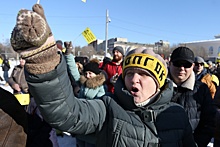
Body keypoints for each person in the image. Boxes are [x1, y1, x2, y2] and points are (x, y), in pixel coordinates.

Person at [10, 5, 197, 146]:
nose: (134, 79)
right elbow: (66, 113)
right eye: (130, 73)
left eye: (143, 74)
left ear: (159, 83)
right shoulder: (108, 108)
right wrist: (45, 61)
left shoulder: (177, 114)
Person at [168, 46, 217, 147]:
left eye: (186, 64)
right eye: (177, 63)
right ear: (170, 63)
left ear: (192, 66)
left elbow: (209, 121)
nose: (182, 68)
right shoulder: (158, 87)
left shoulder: (202, 90)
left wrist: (196, 144)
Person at [7, 57, 59, 147]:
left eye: (23, 59)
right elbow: (10, 78)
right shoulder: (16, 68)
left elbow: (47, 128)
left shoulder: (45, 98)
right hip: (21, 98)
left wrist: (24, 87)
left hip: (44, 141)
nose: (21, 61)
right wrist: (13, 84)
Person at [64, 41, 107, 147]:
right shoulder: (83, 83)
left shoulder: (101, 88)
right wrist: (68, 53)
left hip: (92, 124)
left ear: (96, 75)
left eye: (90, 73)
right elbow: (73, 70)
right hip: (81, 121)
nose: (87, 75)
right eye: (86, 73)